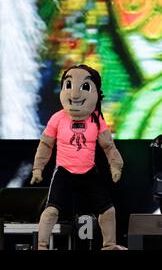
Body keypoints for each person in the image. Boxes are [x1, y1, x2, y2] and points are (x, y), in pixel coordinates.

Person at [30, 64, 126, 250]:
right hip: (64, 171)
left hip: (89, 171)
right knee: (50, 211)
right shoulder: (57, 118)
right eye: (68, 85)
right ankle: (41, 246)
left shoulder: (96, 118)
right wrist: (37, 168)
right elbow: (45, 144)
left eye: (85, 87)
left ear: (96, 92)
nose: (74, 95)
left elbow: (108, 145)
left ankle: (109, 245)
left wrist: (116, 165)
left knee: (108, 210)